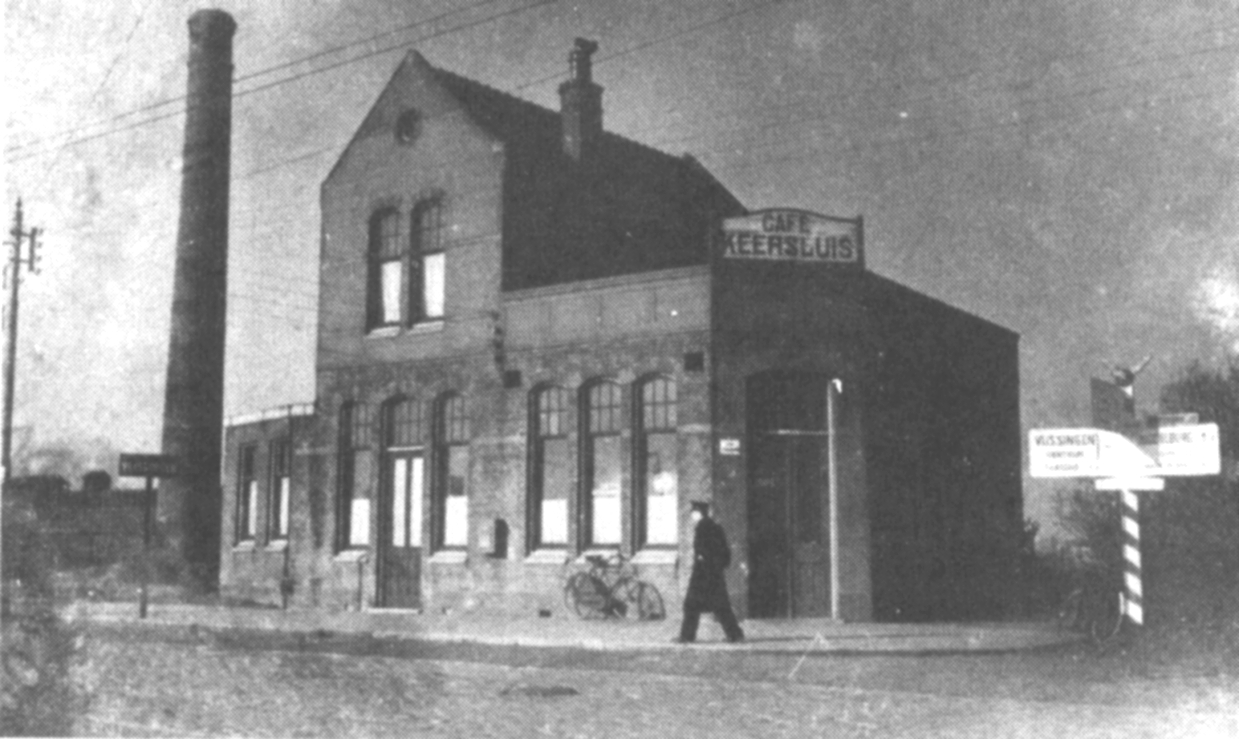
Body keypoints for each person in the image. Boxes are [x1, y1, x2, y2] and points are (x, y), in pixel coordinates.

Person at [676, 501, 745, 643]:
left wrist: (703, 559)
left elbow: (703, 551)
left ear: (699, 513)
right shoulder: (715, 527)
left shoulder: (703, 528)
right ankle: (735, 634)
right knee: (721, 606)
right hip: (714, 574)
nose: (692, 515)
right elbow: (725, 553)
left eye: (694, 512)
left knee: (691, 605)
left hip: (703, 575)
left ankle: (687, 636)